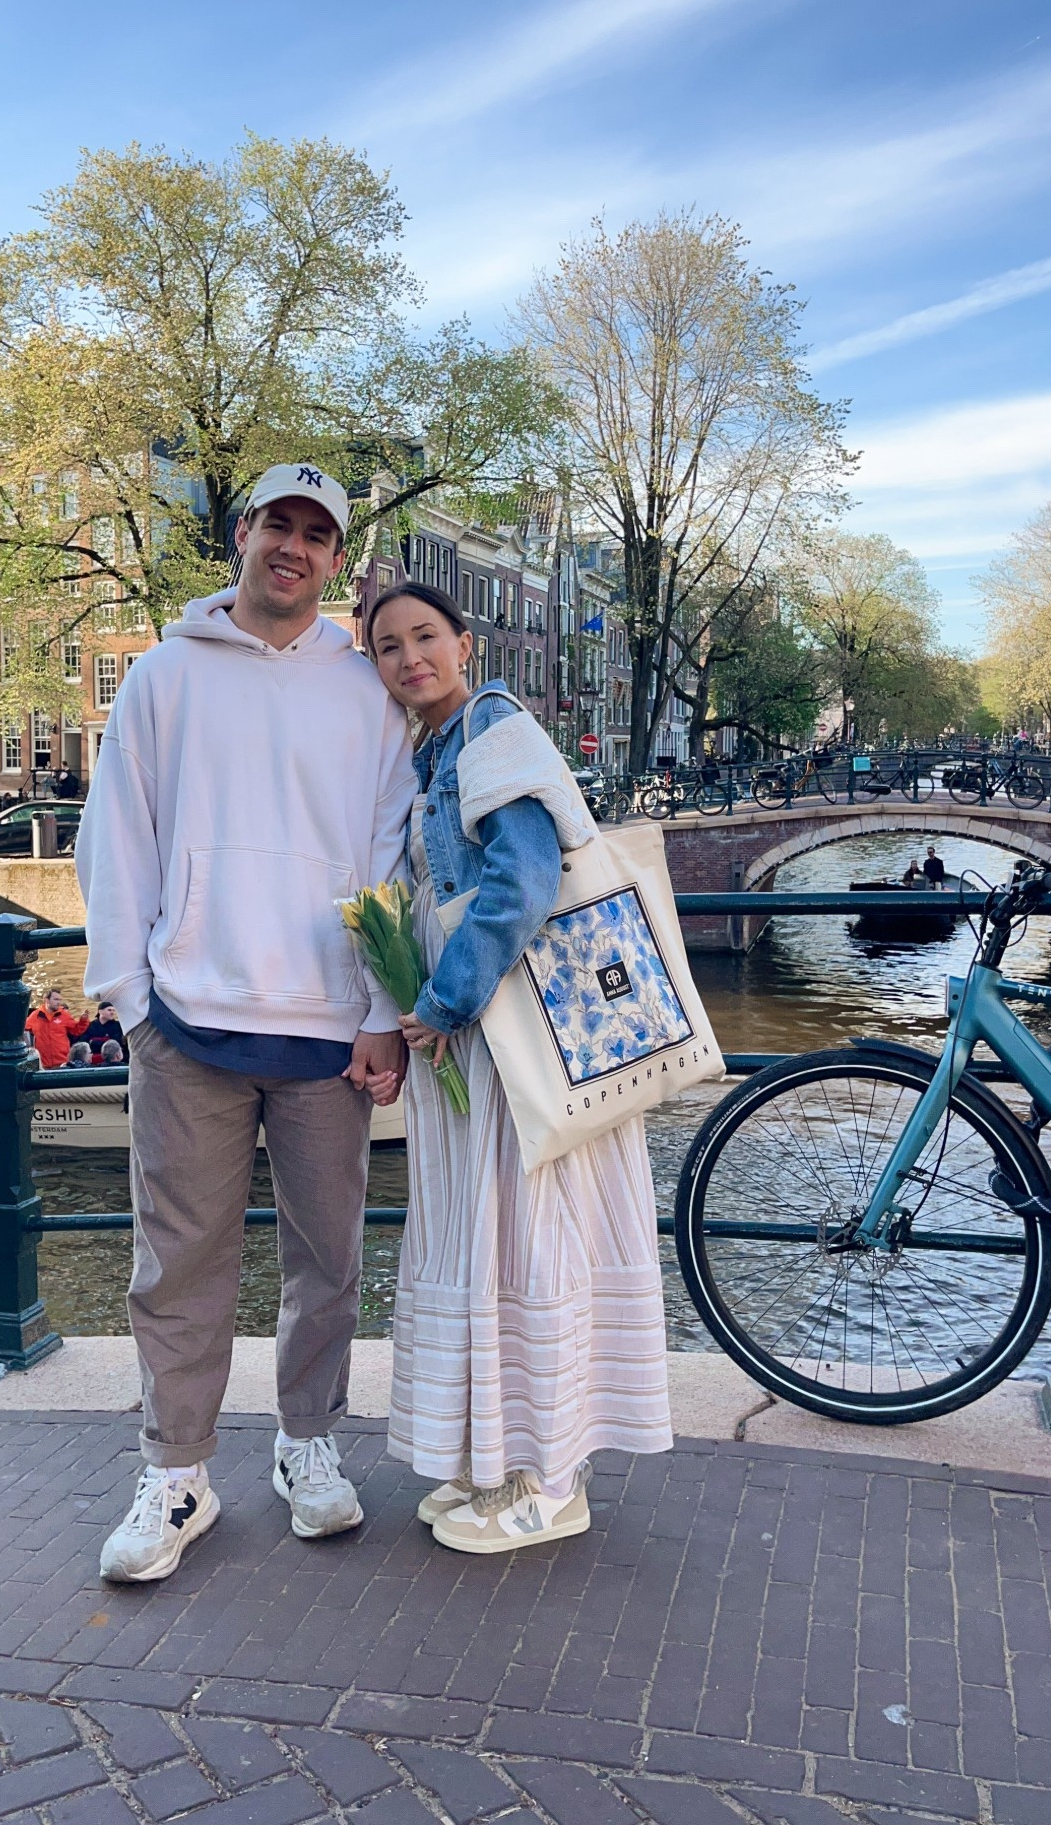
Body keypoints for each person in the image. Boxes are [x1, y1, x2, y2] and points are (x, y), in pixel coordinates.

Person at [76, 460, 413, 1584]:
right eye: (280, 523)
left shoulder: (366, 693)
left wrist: (381, 1009)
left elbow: (390, 853)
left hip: (327, 1029)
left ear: (336, 559)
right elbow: (116, 832)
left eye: (318, 534)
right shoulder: (165, 676)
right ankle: (177, 1471)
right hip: (189, 1020)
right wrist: (132, 999)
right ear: (243, 533)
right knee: (178, 1261)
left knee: (329, 1256)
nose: (295, 547)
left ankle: (306, 1442)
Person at [368, 582, 672, 1555]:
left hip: (520, 1037)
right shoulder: (434, 753)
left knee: (534, 1236)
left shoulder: (494, 730)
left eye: (425, 636)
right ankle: (500, 1459)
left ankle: (554, 1480)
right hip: (488, 1045)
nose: (410, 657)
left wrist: (445, 1000)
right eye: (387, 646)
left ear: (466, 643)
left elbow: (526, 879)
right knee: (497, 1240)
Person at [25, 988, 92, 1068]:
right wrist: (28, 1046)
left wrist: (83, 1020)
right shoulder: (35, 1016)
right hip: (42, 1063)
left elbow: (76, 1030)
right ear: (47, 1000)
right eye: (56, 999)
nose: (59, 1002)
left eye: (60, 1000)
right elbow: (21, 1030)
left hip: (62, 1062)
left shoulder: (64, 1015)